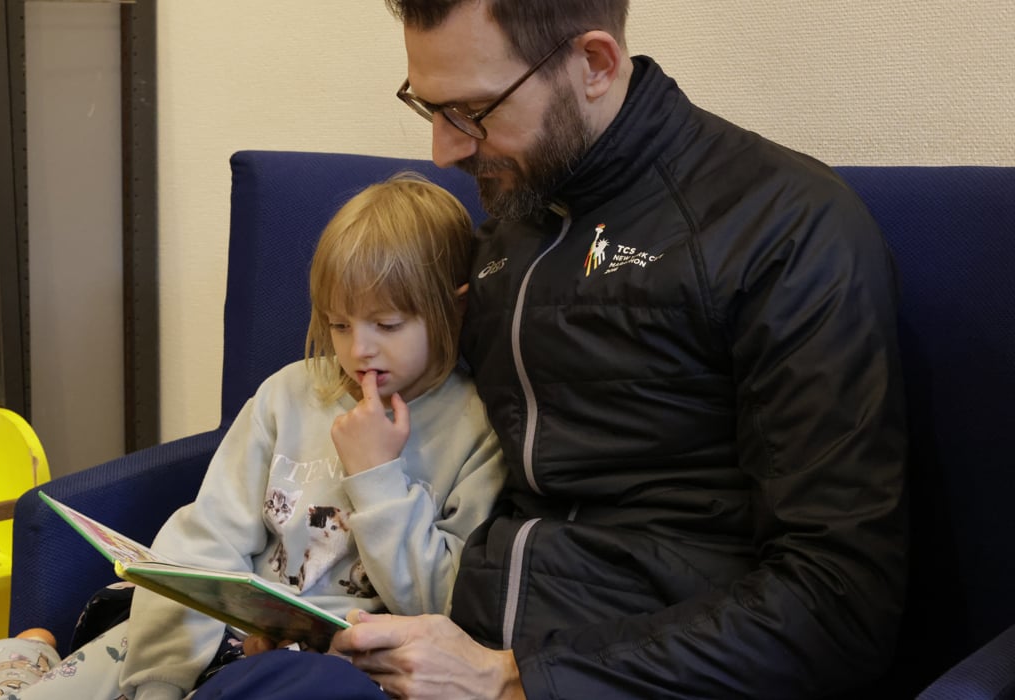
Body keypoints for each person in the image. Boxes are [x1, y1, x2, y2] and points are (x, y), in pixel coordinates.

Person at [324, 1, 909, 698]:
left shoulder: (785, 228)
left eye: (475, 112)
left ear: (594, 64)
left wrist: (512, 680)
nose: (443, 151)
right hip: (453, 641)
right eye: (431, 108)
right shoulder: (517, 217)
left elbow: (838, 602)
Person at [0, 173, 505, 700]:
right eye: (338, 324)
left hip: (342, 668)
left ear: (453, 308)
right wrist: (159, 683)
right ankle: (25, 660)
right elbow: (204, 543)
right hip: (218, 635)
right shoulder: (290, 396)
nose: (358, 350)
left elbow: (444, 602)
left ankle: (19, 660)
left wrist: (376, 477)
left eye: (386, 325)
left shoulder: (478, 428)